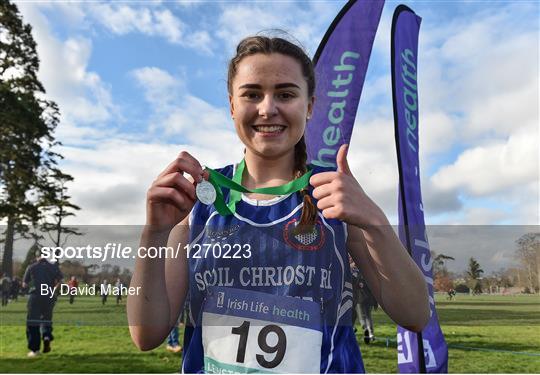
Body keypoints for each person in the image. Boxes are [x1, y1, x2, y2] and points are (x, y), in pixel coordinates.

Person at [128, 35, 429, 373]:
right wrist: (154, 233)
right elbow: (147, 334)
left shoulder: (333, 198)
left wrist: (375, 223)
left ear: (310, 105)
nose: (267, 108)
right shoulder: (200, 202)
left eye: (285, 94)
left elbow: (416, 315)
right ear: (231, 106)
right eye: (252, 94)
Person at [22, 251, 63, 357]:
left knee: (33, 322)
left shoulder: (31, 267)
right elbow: (59, 282)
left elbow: (24, 284)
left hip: (35, 296)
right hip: (49, 296)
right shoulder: (54, 267)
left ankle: (35, 350)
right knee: (46, 319)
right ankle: (46, 336)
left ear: (37, 257)